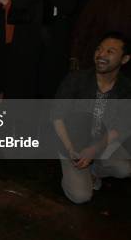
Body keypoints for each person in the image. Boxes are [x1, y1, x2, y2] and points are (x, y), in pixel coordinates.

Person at [53, 32, 131, 204]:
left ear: (124, 59)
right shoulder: (77, 79)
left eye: (110, 51)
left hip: (101, 144)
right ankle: (75, 171)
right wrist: (70, 149)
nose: (101, 55)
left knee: (124, 168)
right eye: (99, 49)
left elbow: (122, 125)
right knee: (81, 196)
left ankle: (93, 170)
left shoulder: (126, 88)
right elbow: (57, 116)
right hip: (72, 144)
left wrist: (94, 150)